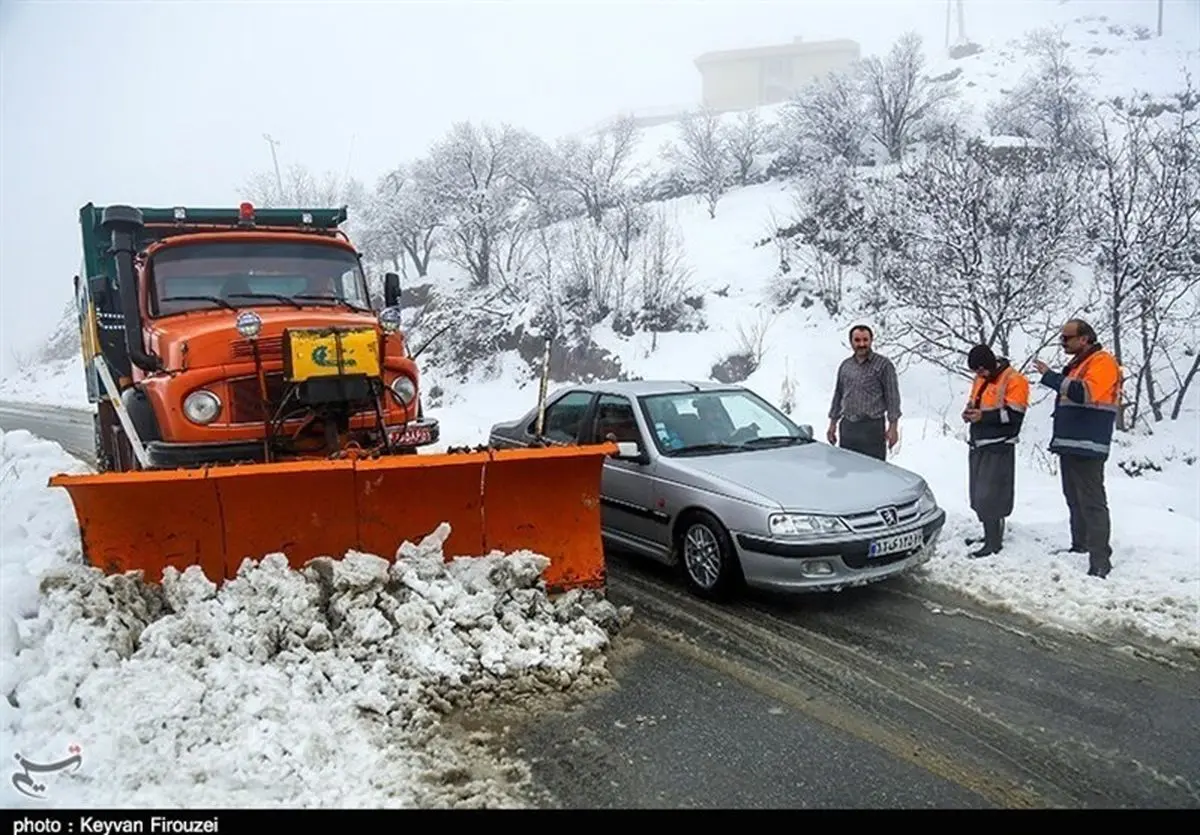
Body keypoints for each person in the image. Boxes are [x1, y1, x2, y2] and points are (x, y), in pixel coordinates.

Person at [1032, 318, 1122, 579]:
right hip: (1071, 443)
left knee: (1092, 501)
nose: (1063, 343)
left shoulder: (1102, 362)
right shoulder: (1078, 365)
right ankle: (1080, 544)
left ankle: (1100, 560)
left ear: (1084, 339)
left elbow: (1085, 393)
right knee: (1073, 497)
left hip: (1089, 444)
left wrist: (1050, 377)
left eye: (1067, 338)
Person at [961, 344, 1029, 559]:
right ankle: (989, 535)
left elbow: (1015, 417)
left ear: (989, 364)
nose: (978, 374)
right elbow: (975, 402)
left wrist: (983, 417)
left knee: (992, 497)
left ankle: (993, 543)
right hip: (979, 443)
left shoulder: (1014, 380)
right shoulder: (980, 379)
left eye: (980, 370)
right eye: (975, 371)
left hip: (999, 446)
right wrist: (969, 412)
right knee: (979, 496)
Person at [827, 324, 902, 460]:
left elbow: (893, 398)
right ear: (851, 342)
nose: (861, 344)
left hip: (872, 428)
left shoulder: (884, 365)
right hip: (848, 427)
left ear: (871, 341)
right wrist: (832, 425)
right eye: (857, 340)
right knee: (847, 468)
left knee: (873, 472)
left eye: (865, 340)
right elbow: (838, 396)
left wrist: (893, 428)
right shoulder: (846, 366)